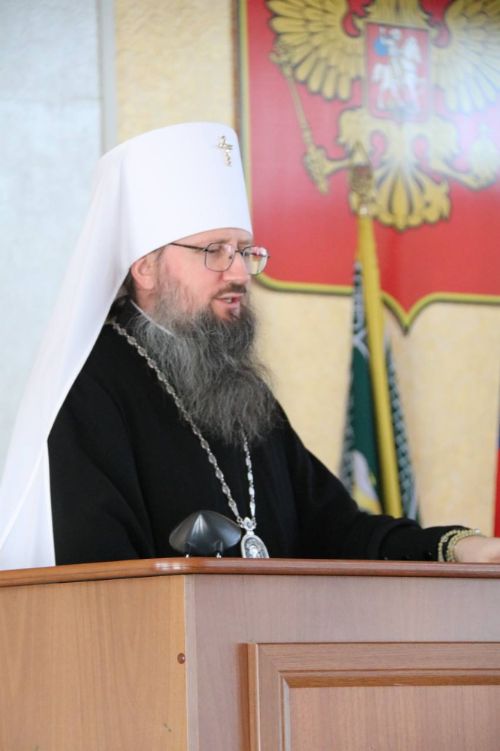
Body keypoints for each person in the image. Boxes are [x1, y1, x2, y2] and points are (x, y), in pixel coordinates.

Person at [0, 122, 499, 569]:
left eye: (243, 251)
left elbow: (334, 528)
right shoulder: (90, 386)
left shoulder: (238, 387)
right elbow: (99, 573)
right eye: (213, 251)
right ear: (145, 267)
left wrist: (455, 548)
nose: (239, 272)